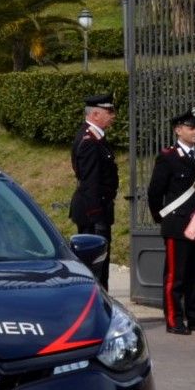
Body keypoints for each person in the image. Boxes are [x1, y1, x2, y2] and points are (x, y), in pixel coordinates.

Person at [147, 108, 195, 335]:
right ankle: (174, 319)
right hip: (176, 224)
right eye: (191, 127)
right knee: (175, 276)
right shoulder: (168, 157)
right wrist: (162, 218)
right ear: (178, 130)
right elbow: (155, 191)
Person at [69, 93, 118, 290]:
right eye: (109, 111)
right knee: (96, 269)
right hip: (93, 214)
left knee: (100, 268)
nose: (113, 115)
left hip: (99, 210)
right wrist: (96, 218)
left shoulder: (97, 138)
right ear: (95, 114)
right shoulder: (90, 140)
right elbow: (90, 182)